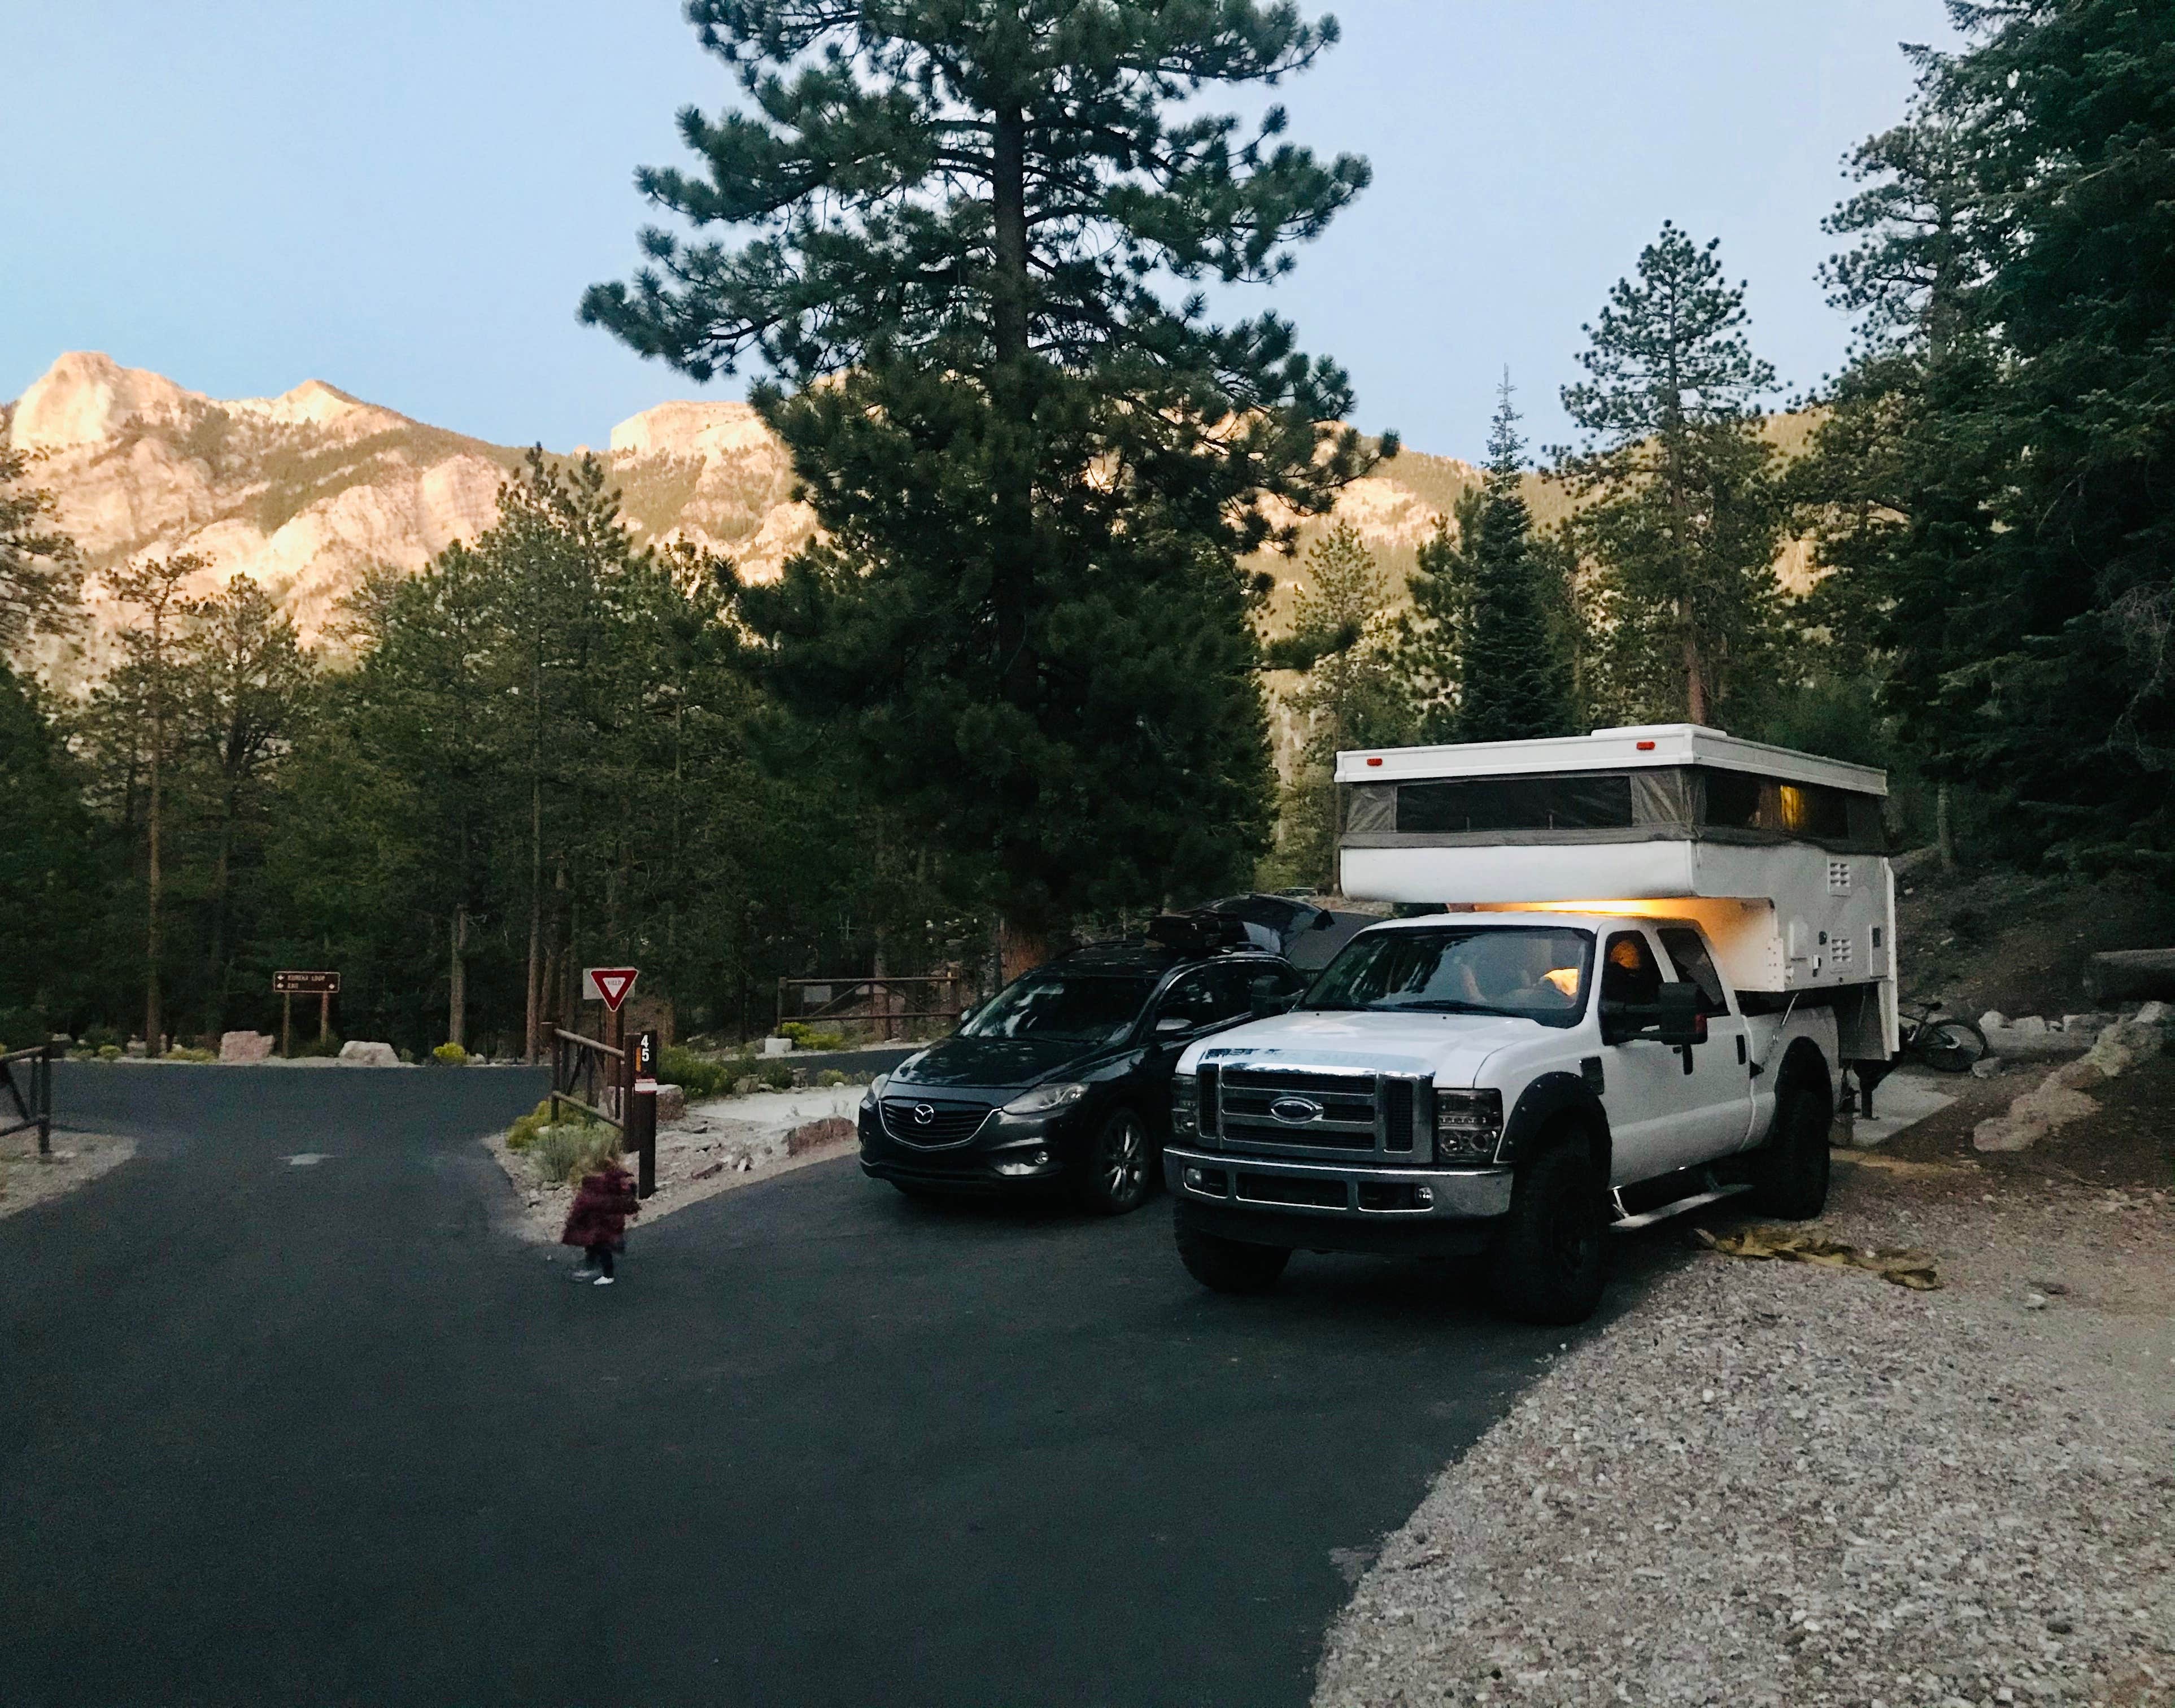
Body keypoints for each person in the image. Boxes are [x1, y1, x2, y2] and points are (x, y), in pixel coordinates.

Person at [561, 1157, 639, 1286]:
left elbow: (585, 1205)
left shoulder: (595, 1187)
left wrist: (575, 1219)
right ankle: (592, 1266)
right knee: (595, 1245)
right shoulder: (614, 1183)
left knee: (601, 1246)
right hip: (605, 1223)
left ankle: (608, 1275)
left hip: (599, 1224)